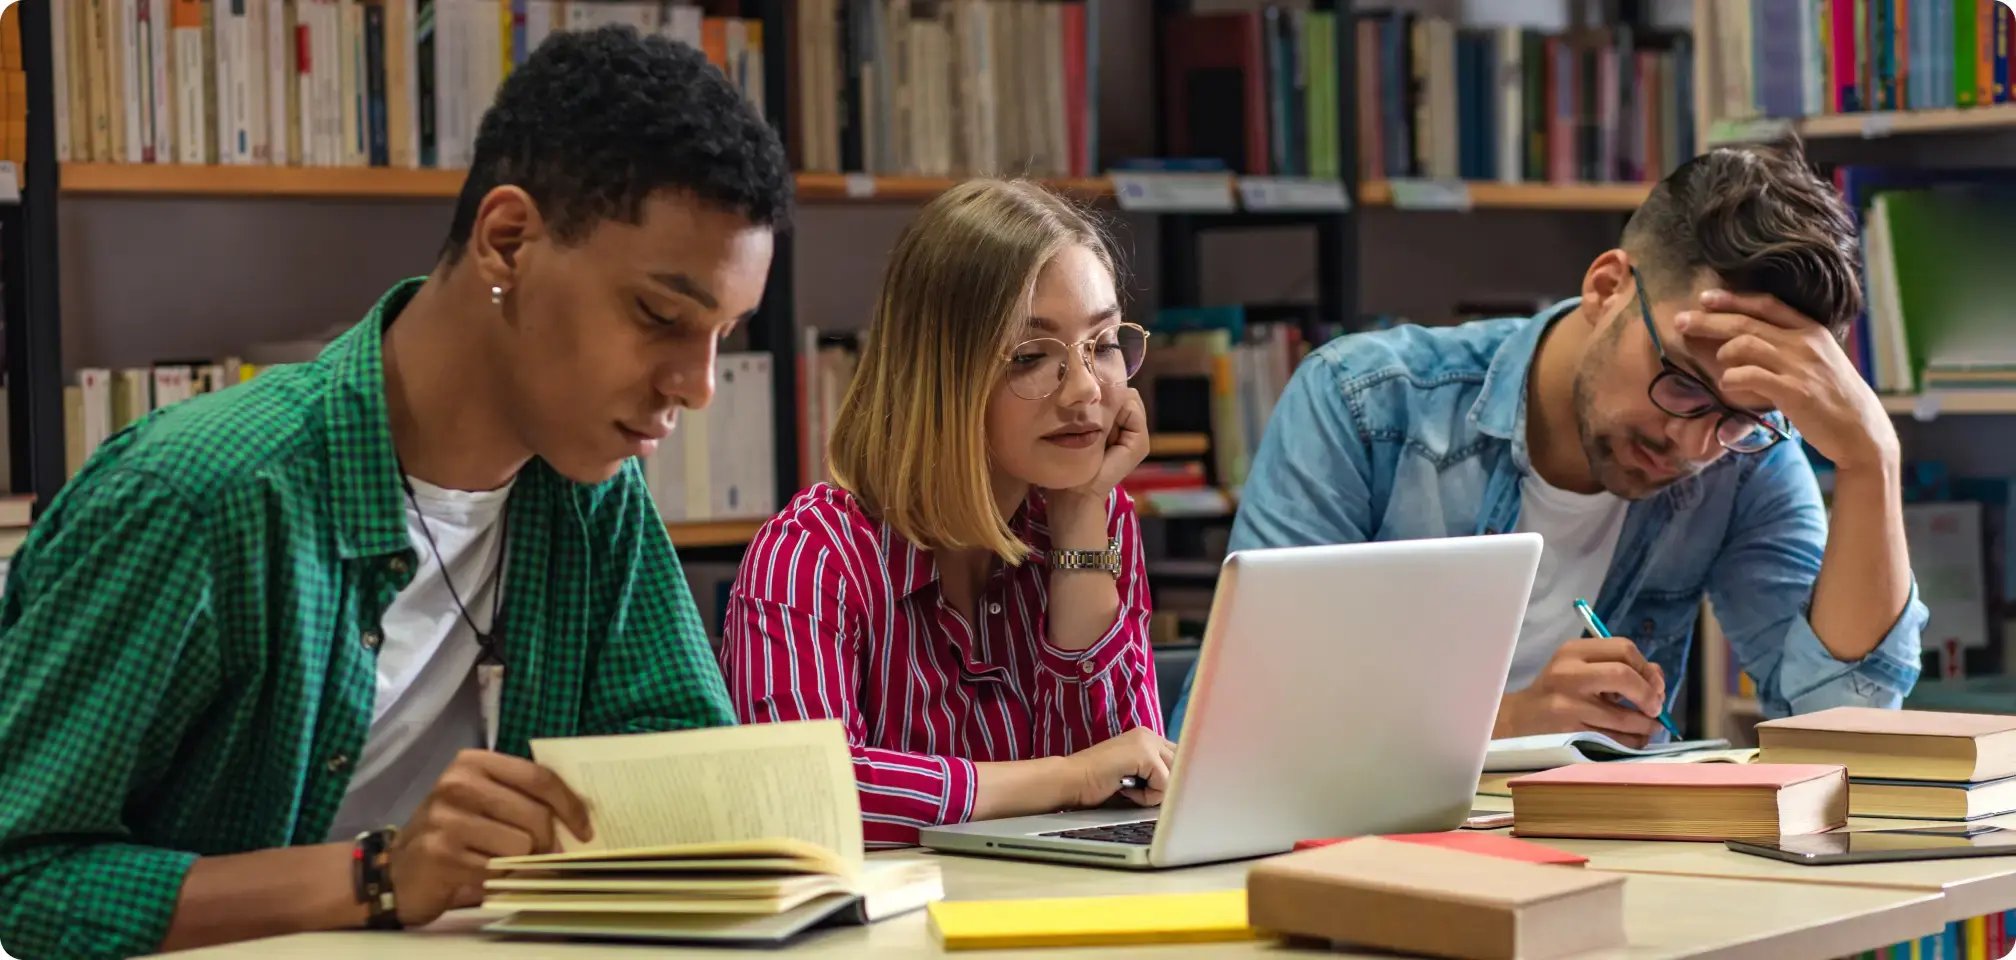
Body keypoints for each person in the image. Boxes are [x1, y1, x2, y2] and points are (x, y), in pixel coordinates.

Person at [0, 25, 789, 959]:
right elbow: (20, 878)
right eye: (660, 316)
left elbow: (680, 782)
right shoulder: (198, 499)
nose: (697, 387)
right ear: (508, 241)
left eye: (725, 336)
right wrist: (378, 878)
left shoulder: (592, 497)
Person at [1168, 140, 1924, 744]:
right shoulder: (1367, 403)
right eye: (1686, 383)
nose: (1692, 443)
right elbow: (1237, 733)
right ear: (1606, 289)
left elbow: (1843, 728)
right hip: (1358, 876)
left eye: (1740, 416)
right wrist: (1507, 725)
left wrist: (1870, 460)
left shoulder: (1747, 456)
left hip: (1597, 876)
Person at [718, 180, 1170, 848]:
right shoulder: (812, 556)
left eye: (1103, 344)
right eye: (1032, 355)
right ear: (940, 374)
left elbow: (1129, 790)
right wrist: (1068, 778)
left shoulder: (1098, 524)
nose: (1084, 392)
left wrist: (1079, 515)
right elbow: (800, 792)